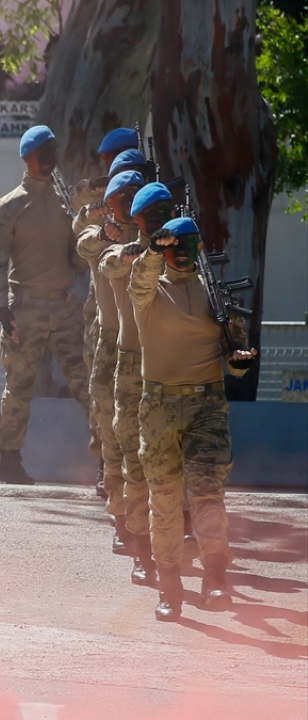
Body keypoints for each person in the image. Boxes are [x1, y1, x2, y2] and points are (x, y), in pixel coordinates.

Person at [129, 215, 256, 621]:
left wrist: (239, 362)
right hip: (159, 408)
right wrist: (151, 249)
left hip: (207, 406)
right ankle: (169, 587)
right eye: (172, 244)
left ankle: (215, 578)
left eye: (188, 242)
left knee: (206, 493)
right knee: (164, 501)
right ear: (163, 249)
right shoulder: (148, 291)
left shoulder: (215, 297)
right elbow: (139, 280)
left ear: (200, 247)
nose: (180, 250)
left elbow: (235, 357)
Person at [0, 125, 92, 484]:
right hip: (25, 307)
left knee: (88, 383)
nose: (49, 159)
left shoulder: (69, 204)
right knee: (19, 386)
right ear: (27, 158)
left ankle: (111, 461)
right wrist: (2, 308)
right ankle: (9, 460)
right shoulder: (10, 205)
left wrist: (82, 238)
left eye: (53, 152)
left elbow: (78, 261)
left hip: (65, 308)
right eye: (42, 153)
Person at [76, 169, 144, 556]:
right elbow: (86, 246)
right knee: (113, 436)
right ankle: (122, 522)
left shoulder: (155, 233)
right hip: (111, 344)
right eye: (125, 195)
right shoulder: (102, 232)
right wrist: (106, 234)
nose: (131, 202)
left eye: (137, 194)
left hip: (149, 346)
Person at [99, 176, 160, 588]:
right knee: (132, 457)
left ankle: (176, 535)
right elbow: (109, 263)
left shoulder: (182, 249)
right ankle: (140, 546)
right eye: (150, 214)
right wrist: (140, 248)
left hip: (172, 365)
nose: (157, 221)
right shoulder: (124, 250)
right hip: (133, 359)